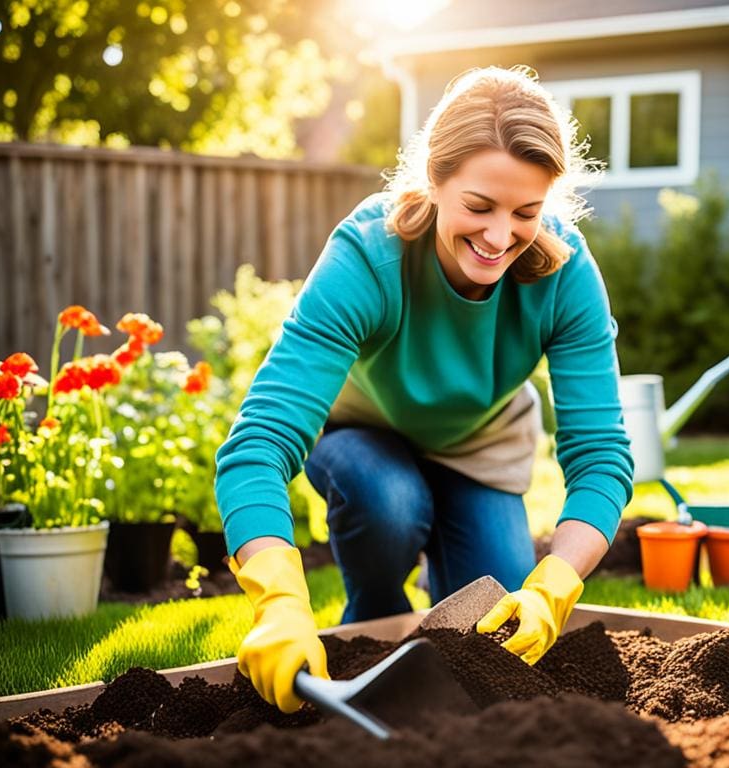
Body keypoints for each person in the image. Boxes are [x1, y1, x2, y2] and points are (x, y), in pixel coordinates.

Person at [215, 65, 635, 713]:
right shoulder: (369, 256)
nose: (500, 238)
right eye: (478, 206)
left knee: (492, 628)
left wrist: (552, 585)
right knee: (387, 498)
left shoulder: (564, 274)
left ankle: (417, 641)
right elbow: (257, 449)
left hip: (480, 446)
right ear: (434, 182)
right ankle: (370, 629)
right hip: (362, 436)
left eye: (526, 212)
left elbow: (602, 457)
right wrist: (280, 603)